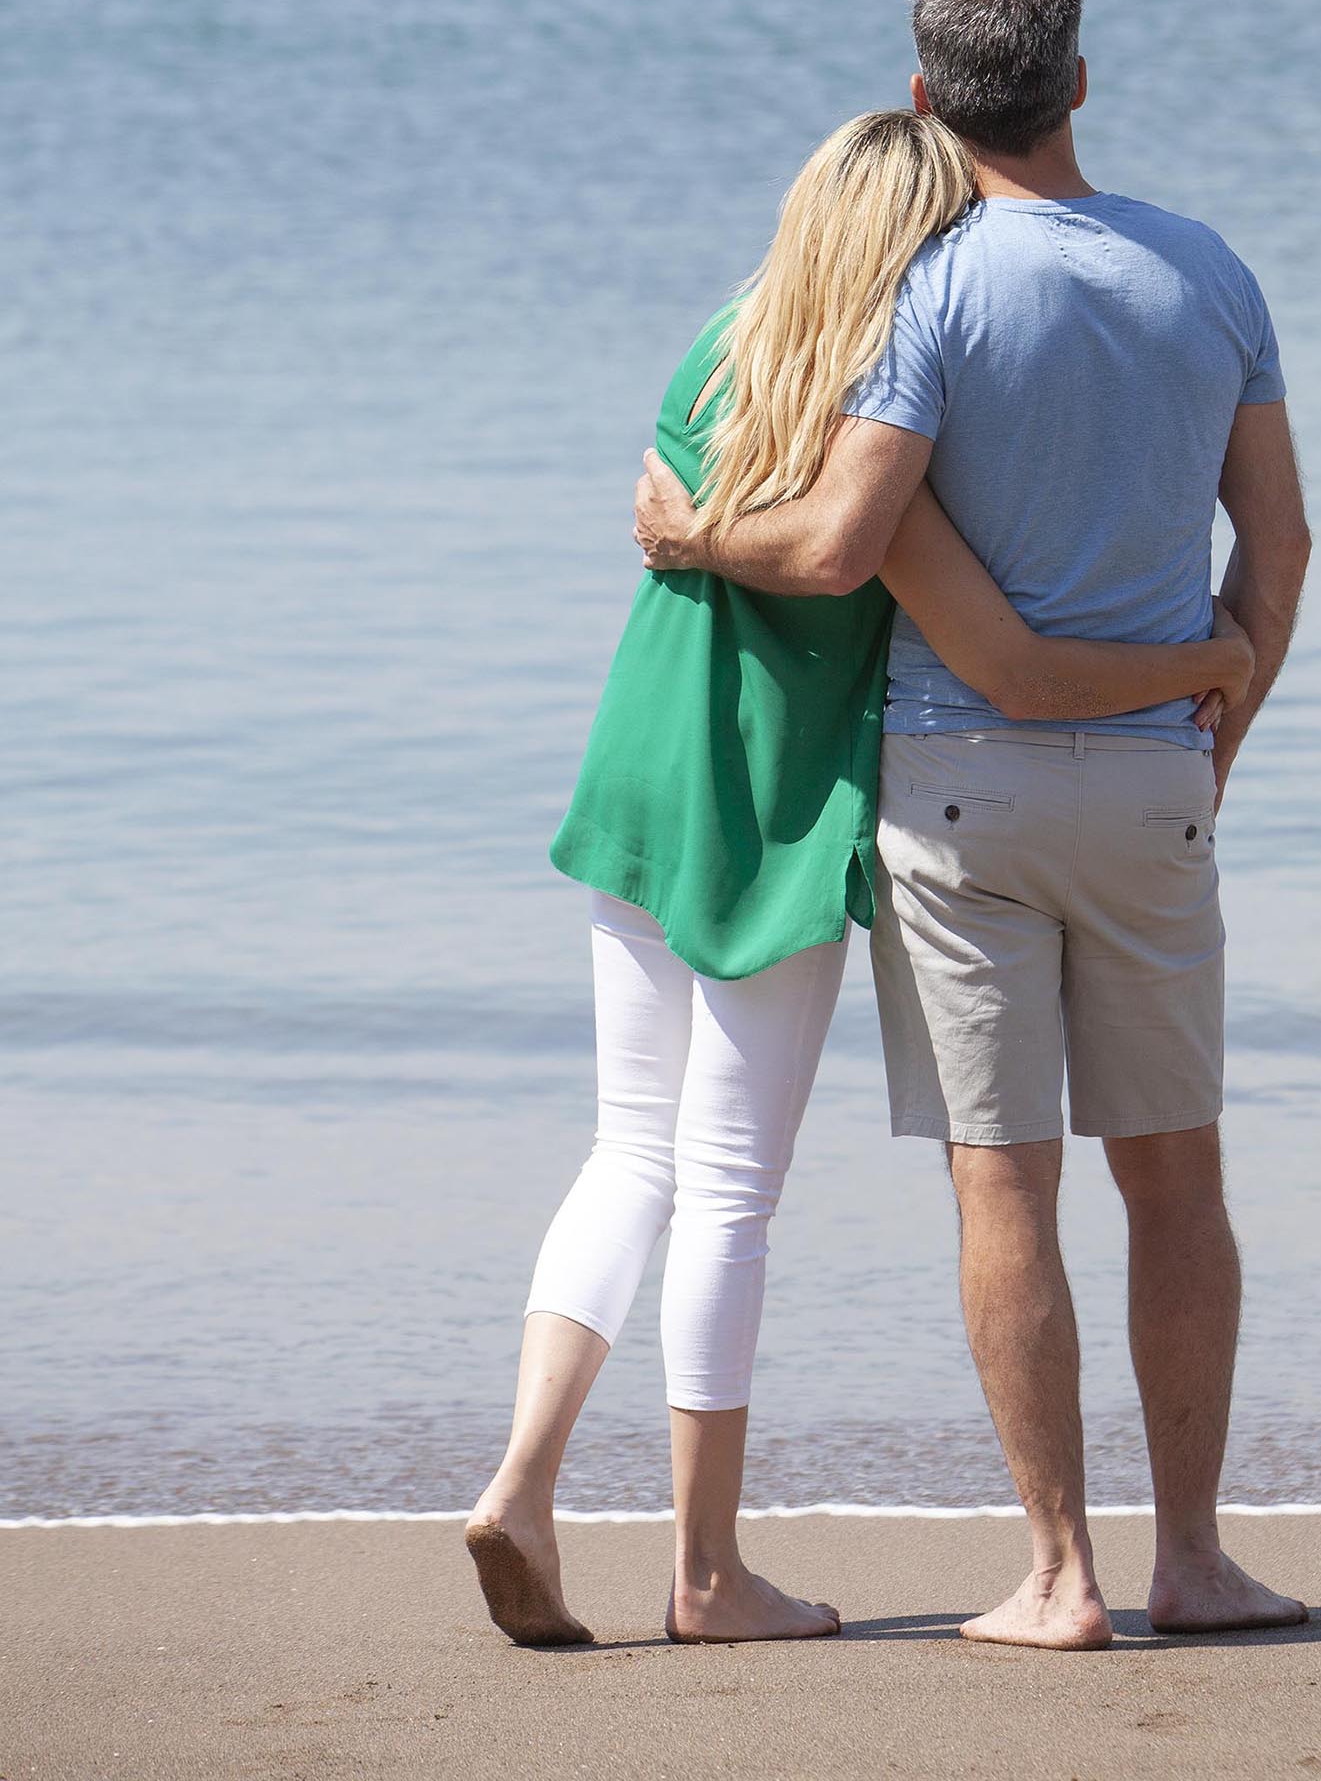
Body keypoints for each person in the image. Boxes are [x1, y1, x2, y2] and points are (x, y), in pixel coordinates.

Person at [466, 105, 1254, 1651]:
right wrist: (1207, 658)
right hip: (772, 805)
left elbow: (673, 515)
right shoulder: (883, 421)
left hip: (638, 774)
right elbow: (978, 640)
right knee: (730, 1194)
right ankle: (704, 1577)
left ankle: (521, 1481)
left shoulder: (715, 344)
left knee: (627, 1152)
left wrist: (698, 538)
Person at [634, 0, 1313, 1651]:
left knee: (1004, 1187)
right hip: (1155, 774)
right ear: (1082, 80)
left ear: (929, 99)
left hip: (959, 788)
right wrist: (1217, 732)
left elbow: (845, 544)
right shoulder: (1207, 270)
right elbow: (1281, 543)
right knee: (1178, 1181)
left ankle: (1060, 1577)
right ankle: (1200, 1563)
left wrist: (691, 532)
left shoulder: (927, 288)